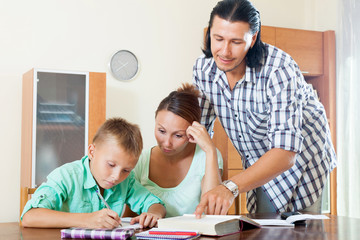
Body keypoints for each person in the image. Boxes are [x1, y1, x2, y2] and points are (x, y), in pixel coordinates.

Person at [193, 0, 337, 215]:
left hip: (303, 159)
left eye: (236, 42)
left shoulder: (279, 69)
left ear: (252, 39)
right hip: (257, 159)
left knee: (301, 230)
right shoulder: (203, 70)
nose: (224, 51)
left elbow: (286, 152)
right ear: (210, 34)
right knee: (261, 227)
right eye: (218, 39)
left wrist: (229, 186)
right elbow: (199, 131)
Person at [21, 117, 166, 229]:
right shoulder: (66, 177)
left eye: (126, 170)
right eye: (111, 164)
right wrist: (87, 219)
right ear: (92, 152)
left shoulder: (127, 182)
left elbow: (155, 204)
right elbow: (29, 217)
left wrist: (154, 214)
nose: (117, 176)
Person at [131, 83, 223, 217]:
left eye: (178, 135)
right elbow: (128, 215)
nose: (167, 143)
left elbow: (212, 211)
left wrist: (210, 150)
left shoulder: (206, 156)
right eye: (161, 131)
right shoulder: (141, 159)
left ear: (193, 130)